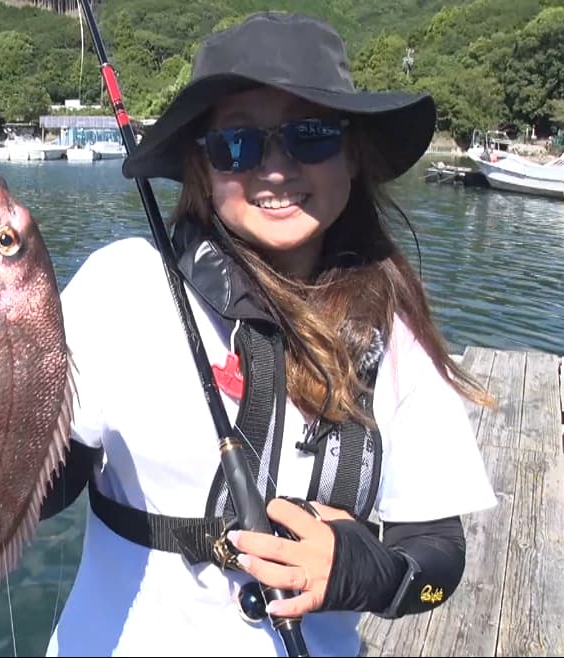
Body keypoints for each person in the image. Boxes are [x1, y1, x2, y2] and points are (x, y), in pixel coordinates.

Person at [39, 11, 497, 657]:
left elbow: (439, 561)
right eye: (238, 144)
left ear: (353, 154)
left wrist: (366, 571)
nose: (275, 169)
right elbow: (36, 491)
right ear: (203, 165)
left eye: (310, 136)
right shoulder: (124, 285)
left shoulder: (390, 331)